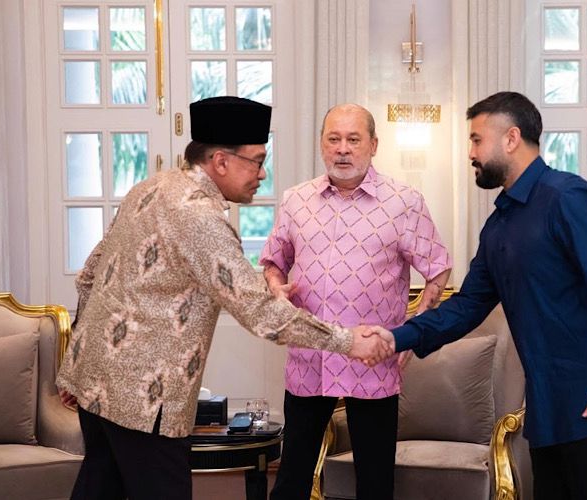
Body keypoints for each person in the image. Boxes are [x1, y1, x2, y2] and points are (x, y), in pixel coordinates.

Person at [55, 96, 393, 500]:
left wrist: (79, 357)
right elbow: (260, 313)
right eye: (257, 161)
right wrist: (348, 341)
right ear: (220, 161)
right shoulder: (200, 218)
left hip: (94, 381)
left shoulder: (152, 186)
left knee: (99, 489)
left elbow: (89, 276)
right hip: (145, 399)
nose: (262, 173)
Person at [380, 92, 587, 500]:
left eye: (477, 140)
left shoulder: (570, 199)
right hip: (548, 409)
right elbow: (467, 306)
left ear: (511, 138)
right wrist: (396, 338)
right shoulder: (499, 225)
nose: (471, 153)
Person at [260, 103, 452, 500]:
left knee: (375, 482)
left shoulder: (404, 202)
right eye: (334, 139)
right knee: (292, 478)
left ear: (373, 145)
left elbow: (438, 268)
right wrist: (276, 288)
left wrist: (413, 333)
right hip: (310, 355)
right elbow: (273, 262)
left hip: (373, 359)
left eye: (353, 139)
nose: (343, 149)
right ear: (321, 144)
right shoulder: (296, 200)